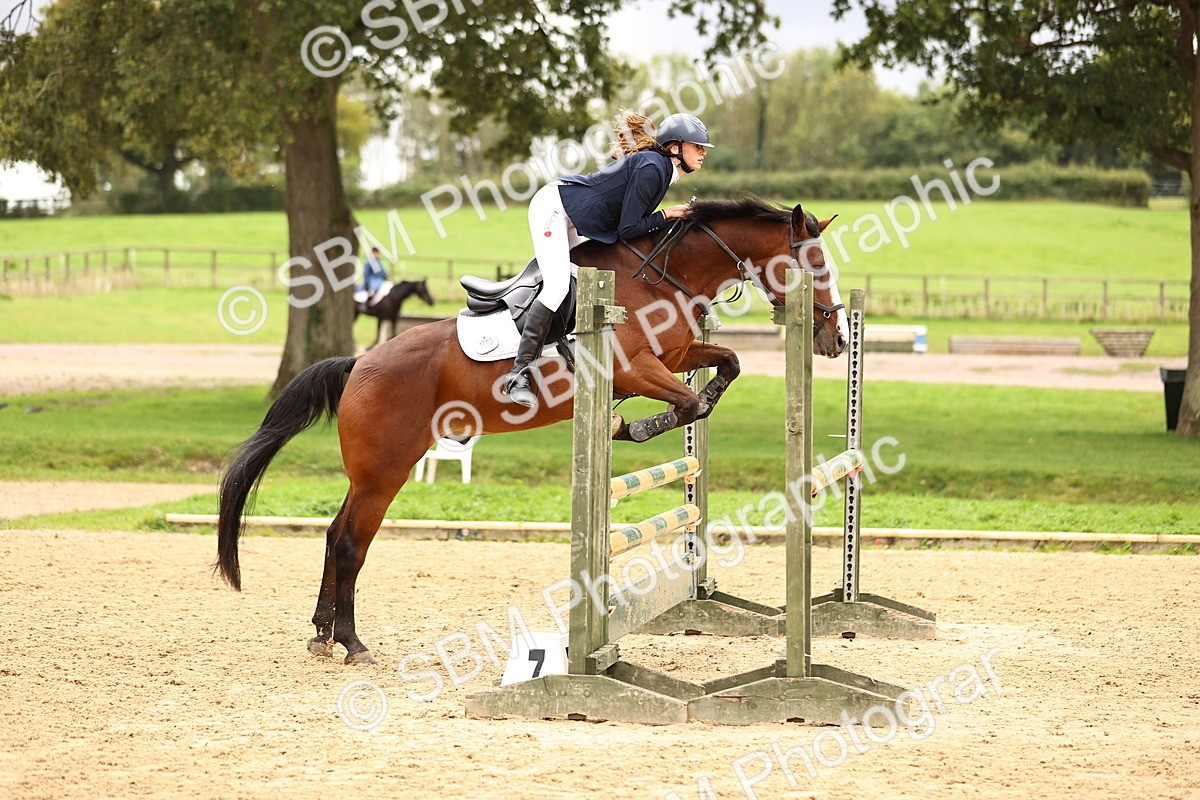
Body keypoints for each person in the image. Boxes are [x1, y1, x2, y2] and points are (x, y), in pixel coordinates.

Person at [503, 111, 712, 407]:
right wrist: (666, 215)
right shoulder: (653, 169)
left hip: (574, 218)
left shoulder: (661, 170)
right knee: (558, 287)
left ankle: (573, 354)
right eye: (697, 146)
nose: (703, 153)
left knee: (584, 284)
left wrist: (666, 218)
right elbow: (628, 229)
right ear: (675, 146)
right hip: (555, 209)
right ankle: (518, 375)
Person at [355, 246, 389, 312]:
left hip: (381, 280)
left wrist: (385, 276)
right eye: (375, 252)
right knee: (371, 292)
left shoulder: (378, 261)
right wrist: (368, 284)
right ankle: (366, 305)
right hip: (373, 281)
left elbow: (383, 272)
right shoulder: (370, 261)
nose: (376, 254)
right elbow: (366, 274)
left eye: (377, 252)